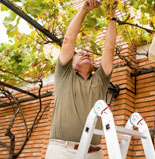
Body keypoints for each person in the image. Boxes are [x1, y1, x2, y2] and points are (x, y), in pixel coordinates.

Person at [45, 0, 117, 158]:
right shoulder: (64, 74)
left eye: (89, 54)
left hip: (94, 152)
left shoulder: (100, 80)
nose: (87, 54)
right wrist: (84, 9)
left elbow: (109, 49)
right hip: (62, 151)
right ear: (72, 61)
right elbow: (68, 40)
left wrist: (111, 16)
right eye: (81, 53)